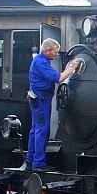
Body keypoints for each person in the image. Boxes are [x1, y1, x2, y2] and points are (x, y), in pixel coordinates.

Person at [24, 38, 77, 171]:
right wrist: (72, 67)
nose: (56, 54)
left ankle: (30, 161)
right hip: (41, 99)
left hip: (37, 98)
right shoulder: (41, 62)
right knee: (42, 130)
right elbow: (58, 78)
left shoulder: (40, 61)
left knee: (35, 129)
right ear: (47, 50)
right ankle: (39, 163)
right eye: (55, 51)